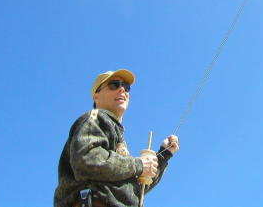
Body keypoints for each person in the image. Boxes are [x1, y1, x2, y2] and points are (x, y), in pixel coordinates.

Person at [54, 69, 179, 207]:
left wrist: (165, 153)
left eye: (126, 87)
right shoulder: (95, 118)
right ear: (96, 96)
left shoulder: (119, 137)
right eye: (114, 85)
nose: (122, 90)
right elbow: (87, 159)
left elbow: (137, 187)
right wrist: (138, 164)